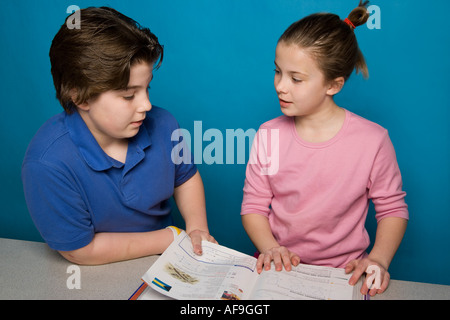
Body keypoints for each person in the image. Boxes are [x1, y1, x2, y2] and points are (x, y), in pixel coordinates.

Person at [22, 7, 215, 265]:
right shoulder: (47, 164)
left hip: (165, 263)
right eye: (128, 95)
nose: (146, 104)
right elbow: (78, 251)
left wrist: (196, 228)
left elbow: (186, 179)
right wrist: (171, 237)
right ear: (79, 96)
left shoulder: (165, 124)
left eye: (147, 88)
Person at [240, 1, 408, 296]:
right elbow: (253, 205)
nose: (280, 86)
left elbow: (392, 208)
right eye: (278, 72)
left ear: (333, 85)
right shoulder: (268, 134)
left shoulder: (373, 140)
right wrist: (270, 248)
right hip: (278, 269)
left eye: (296, 78)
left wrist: (378, 259)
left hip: (343, 276)